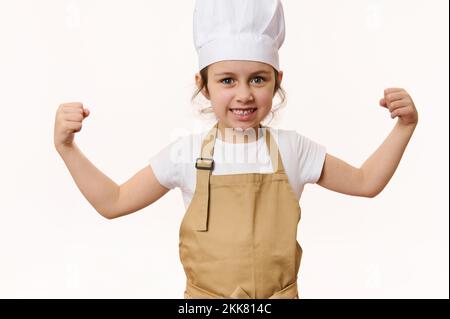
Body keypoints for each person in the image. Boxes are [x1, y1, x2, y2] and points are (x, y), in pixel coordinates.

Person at [53, 0, 418, 299]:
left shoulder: (293, 150)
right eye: (227, 80)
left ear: (277, 82)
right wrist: (67, 148)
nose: (244, 94)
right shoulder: (186, 153)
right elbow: (114, 201)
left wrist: (405, 127)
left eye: (257, 79)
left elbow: (366, 181)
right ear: (204, 85)